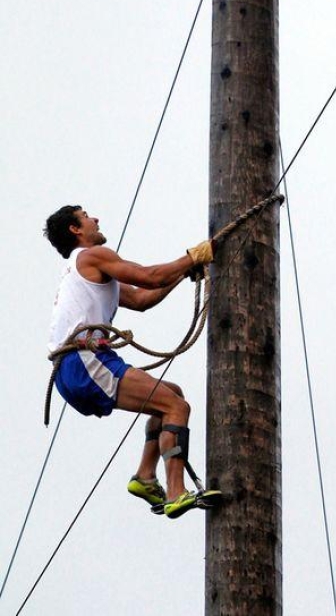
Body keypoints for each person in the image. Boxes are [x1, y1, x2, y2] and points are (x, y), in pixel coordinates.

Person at [45, 204, 216, 519]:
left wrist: (182, 273)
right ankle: (176, 493)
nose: (95, 219)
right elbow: (150, 277)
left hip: (77, 365)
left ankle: (145, 477)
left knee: (172, 393)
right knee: (176, 408)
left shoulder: (85, 271)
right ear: (75, 230)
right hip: (84, 360)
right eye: (86, 217)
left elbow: (140, 298)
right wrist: (194, 257)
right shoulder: (91, 256)